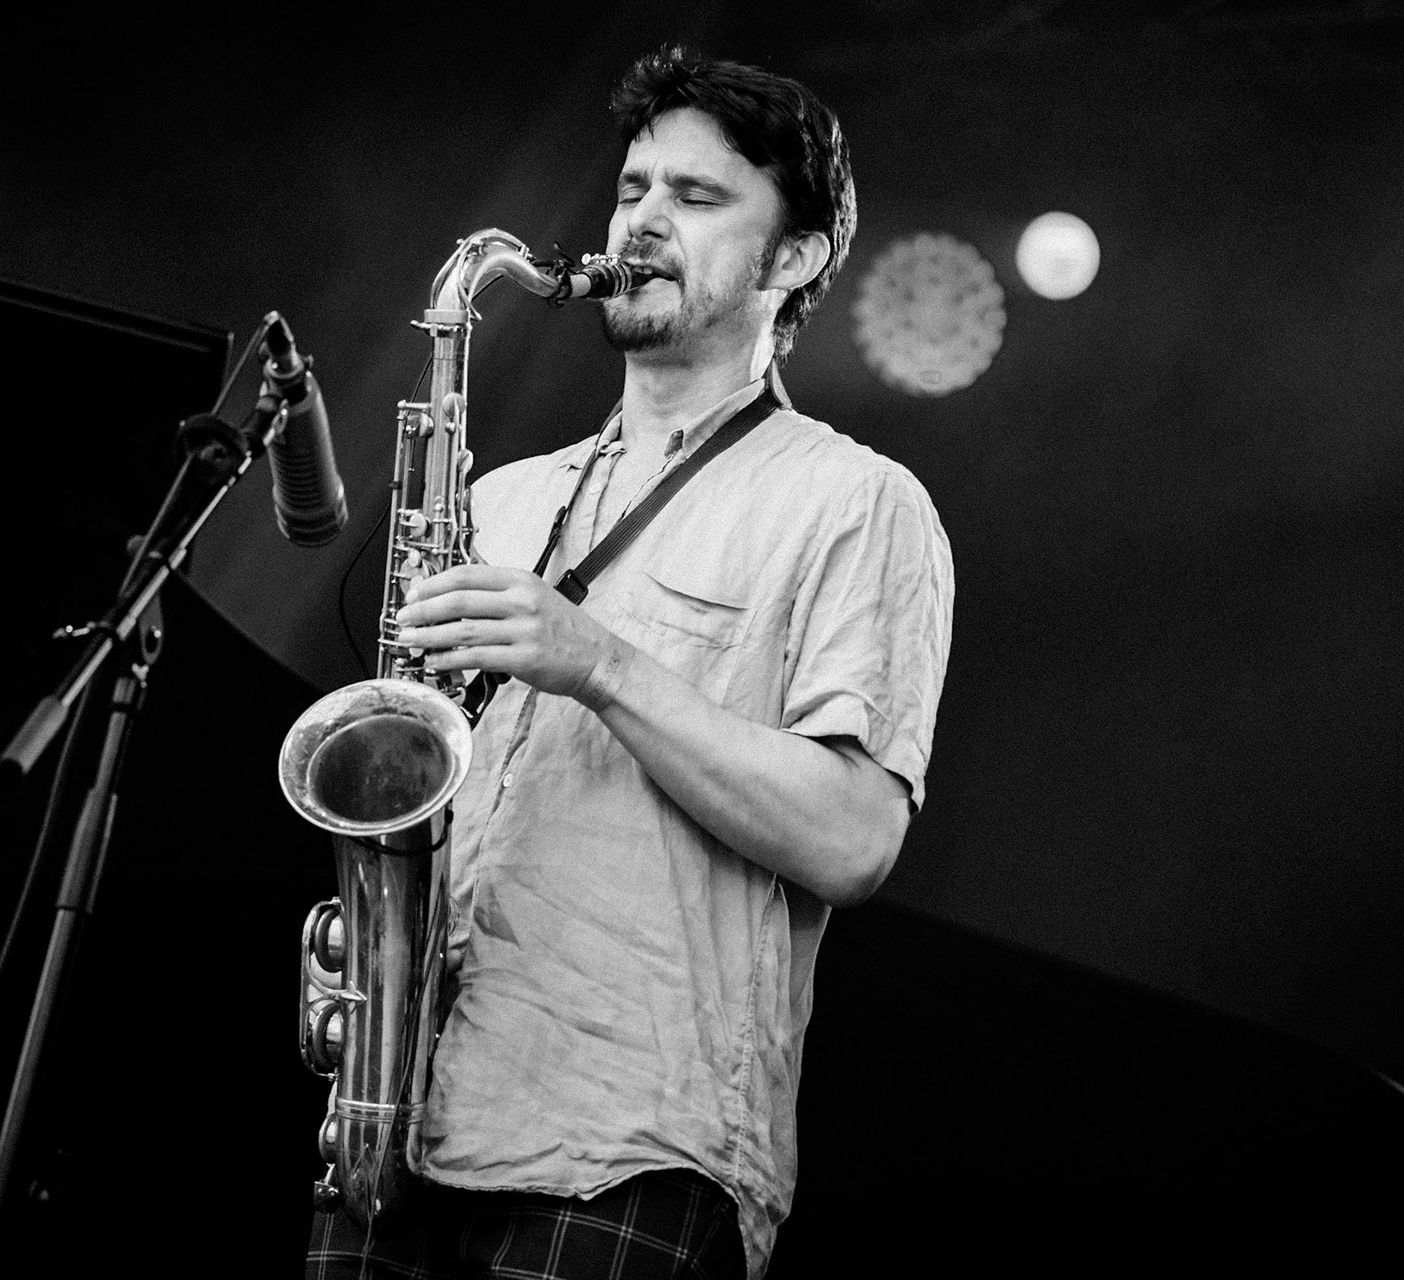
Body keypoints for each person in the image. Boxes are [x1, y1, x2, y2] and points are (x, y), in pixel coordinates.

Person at [309, 46, 953, 1280]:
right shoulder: (497, 501)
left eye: (699, 199)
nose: (643, 222)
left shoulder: (857, 502)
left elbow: (854, 837)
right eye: (632, 190)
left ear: (799, 256)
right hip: (395, 1120)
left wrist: (596, 661)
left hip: (628, 1145)